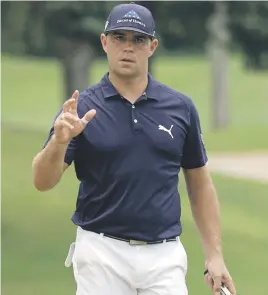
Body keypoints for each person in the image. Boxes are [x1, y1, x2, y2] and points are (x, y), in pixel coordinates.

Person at [32, 2, 236, 295]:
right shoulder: (82, 107)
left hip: (164, 256)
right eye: (119, 38)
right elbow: (42, 181)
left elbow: (200, 183)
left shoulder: (180, 107)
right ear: (105, 43)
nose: (128, 47)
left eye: (138, 39)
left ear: (152, 46)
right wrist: (59, 142)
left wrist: (215, 255)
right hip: (101, 252)